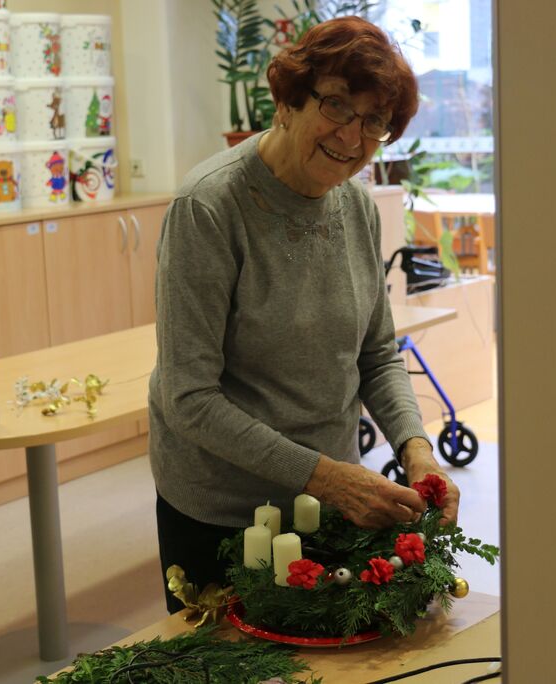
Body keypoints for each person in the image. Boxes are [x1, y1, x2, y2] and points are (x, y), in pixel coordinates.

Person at [149, 16, 460, 613]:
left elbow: (376, 355)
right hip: (224, 509)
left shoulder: (357, 208)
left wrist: (416, 449)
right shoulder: (209, 207)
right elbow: (189, 398)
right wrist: (330, 477)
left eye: (374, 121)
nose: (352, 135)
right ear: (289, 100)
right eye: (336, 105)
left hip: (329, 502)